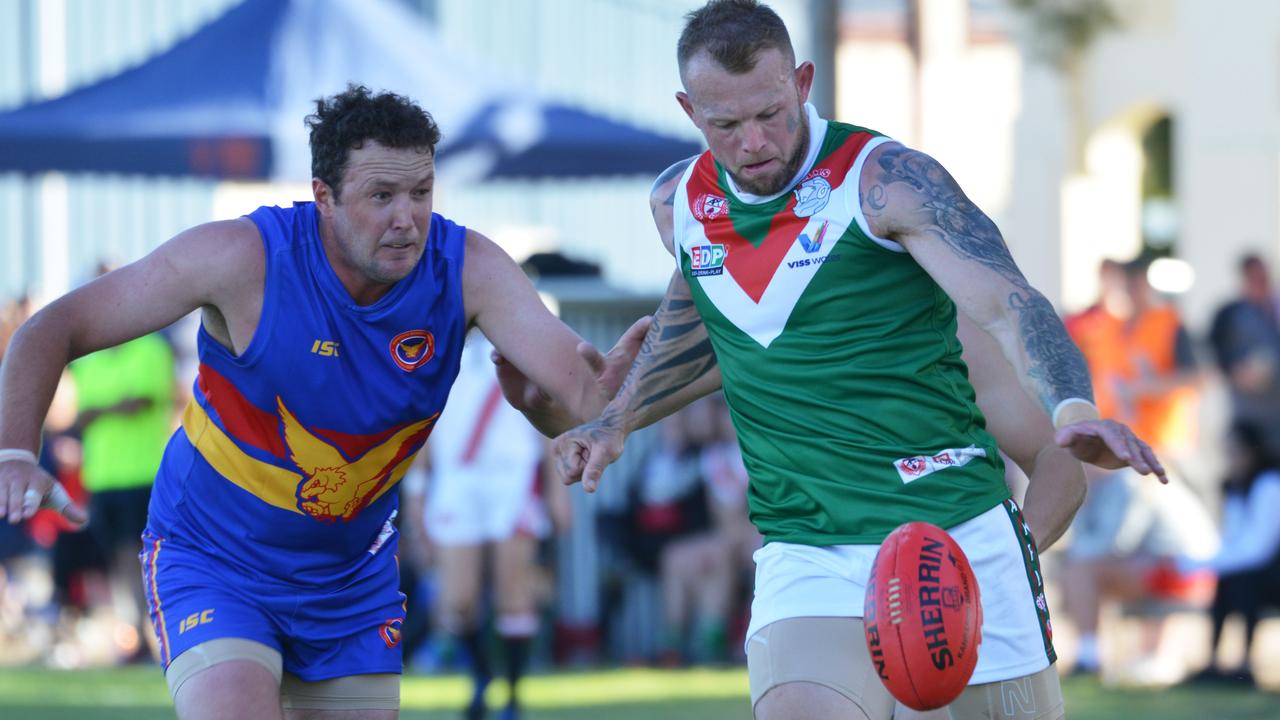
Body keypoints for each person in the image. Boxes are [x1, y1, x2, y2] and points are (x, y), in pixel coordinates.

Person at [545, 3, 1164, 718]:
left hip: (953, 542)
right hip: (808, 551)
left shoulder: (888, 182)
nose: (753, 141)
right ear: (689, 110)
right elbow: (704, 324)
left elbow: (1008, 303)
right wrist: (615, 421)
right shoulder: (678, 205)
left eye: (771, 113)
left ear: (803, 82)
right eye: (725, 124)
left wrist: (1074, 409)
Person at [0, 85, 646, 720]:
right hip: (216, 558)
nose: (407, 217)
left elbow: (582, 403)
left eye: (421, 193)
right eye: (382, 196)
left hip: (350, 578)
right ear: (324, 197)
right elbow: (51, 328)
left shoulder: (468, 267)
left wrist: (543, 410)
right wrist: (15, 451)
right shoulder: (241, 257)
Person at [420, 331, 568, 720]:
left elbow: (541, 411)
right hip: (456, 479)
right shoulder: (432, 339)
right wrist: (418, 498)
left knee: (513, 593)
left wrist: (555, 490)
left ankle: (514, 696)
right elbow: (420, 424)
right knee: (459, 599)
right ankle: (482, 677)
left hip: (510, 477)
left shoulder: (512, 334)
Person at [68, 261, 177, 663]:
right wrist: (113, 407)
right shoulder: (88, 359)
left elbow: (145, 401)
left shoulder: (149, 348)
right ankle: (136, 638)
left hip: (144, 473)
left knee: (149, 560)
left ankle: (160, 635)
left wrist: (103, 410)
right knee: (117, 560)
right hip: (105, 477)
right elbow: (80, 415)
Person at [1179, 421, 1280, 686]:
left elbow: (1259, 547)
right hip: (1254, 573)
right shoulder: (1232, 487)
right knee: (1227, 582)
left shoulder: (1269, 485)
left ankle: (1245, 662)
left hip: (1270, 575)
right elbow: (1234, 541)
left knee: (1246, 581)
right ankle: (1213, 660)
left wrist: (1199, 563)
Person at [1208, 253, 1280, 458]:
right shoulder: (1229, 314)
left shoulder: (1275, 310)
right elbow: (1213, 356)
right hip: (1248, 417)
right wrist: (1237, 373)